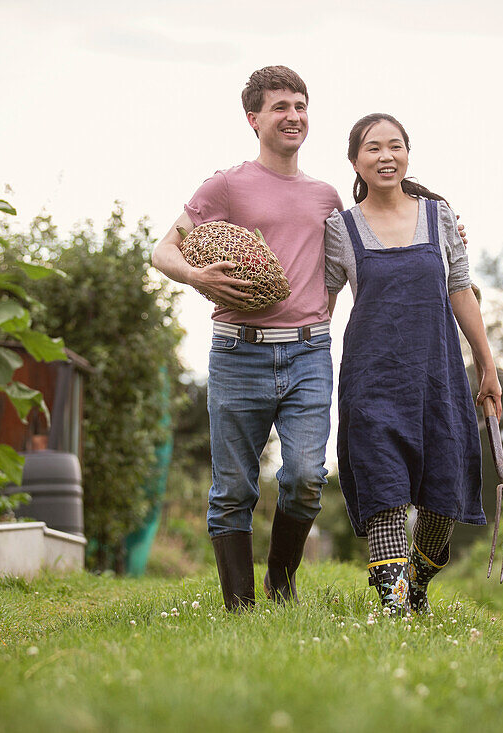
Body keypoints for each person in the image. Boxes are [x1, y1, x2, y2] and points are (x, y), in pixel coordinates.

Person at [151, 66, 343, 611]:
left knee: (307, 476)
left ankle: (281, 584)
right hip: (238, 351)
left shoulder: (326, 195)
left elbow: (368, 238)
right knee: (233, 487)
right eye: (281, 107)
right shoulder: (227, 185)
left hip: (310, 351)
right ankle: (240, 606)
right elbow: (163, 250)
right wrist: (197, 276)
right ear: (253, 118)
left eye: (301, 106)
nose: (294, 117)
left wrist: (441, 223)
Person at [324, 112, 503, 614]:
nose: (386, 156)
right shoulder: (340, 229)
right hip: (372, 381)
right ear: (355, 161)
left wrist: (487, 366)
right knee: (384, 493)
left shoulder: (440, 216)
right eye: (373, 148)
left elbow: (461, 291)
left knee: (442, 503)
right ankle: (396, 608)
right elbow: (323, 304)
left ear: (407, 153)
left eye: (395, 146)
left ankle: (417, 584)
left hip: (437, 378)